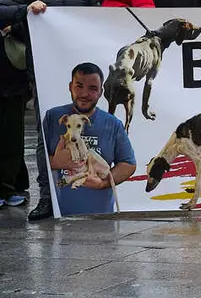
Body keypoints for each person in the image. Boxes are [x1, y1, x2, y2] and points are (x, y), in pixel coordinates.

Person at [0, 0, 100, 221]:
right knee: (48, 135)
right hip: (44, 73)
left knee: (89, 131)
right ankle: (47, 196)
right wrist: (24, 11)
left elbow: (100, 19)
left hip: (82, 74)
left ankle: (90, 189)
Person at [43, 62, 137, 216]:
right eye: (79, 86)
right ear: (70, 87)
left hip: (101, 217)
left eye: (92, 88)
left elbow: (128, 164)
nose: (85, 94)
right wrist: (55, 162)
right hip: (57, 216)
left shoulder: (113, 124)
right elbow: (40, 158)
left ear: (101, 92)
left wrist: (102, 184)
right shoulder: (53, 117)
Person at [0, 0, 31, 208]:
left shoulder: (23, 6)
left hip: (14, 85)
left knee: (13, 139)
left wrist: (17, 26)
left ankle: (9, 187)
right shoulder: (21, 7)